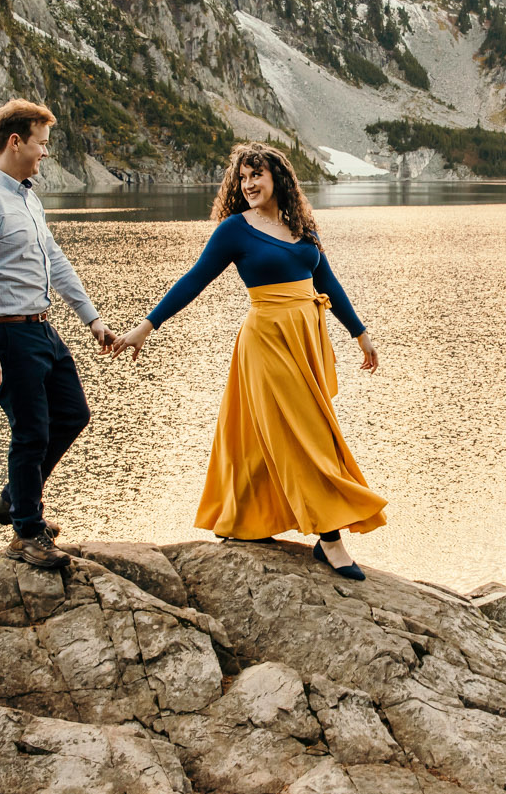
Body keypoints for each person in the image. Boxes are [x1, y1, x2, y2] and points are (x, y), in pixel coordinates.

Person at [109, 142, 384, 578]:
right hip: (268, 340)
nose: (249, 184)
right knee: (305, 433)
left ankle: (245, 521)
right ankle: (330, 538)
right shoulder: (234, 229)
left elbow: (327, 280)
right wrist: (146, 327)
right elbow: (194, 279)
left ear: (279, 178)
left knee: (265, 435)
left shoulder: (302, 227)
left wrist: (361, 334)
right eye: (242, 177)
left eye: (257, 174)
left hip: (306, 339)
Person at [0, 99, 114, 570]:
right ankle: (27, 531)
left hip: (43, 329)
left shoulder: (27, 196)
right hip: (7, 335)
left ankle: (12, 500)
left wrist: (92, 318)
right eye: (41, 143)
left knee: (72, 414)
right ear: (16, 141)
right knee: (31, 434)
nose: (46, 152)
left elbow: (54, 261)